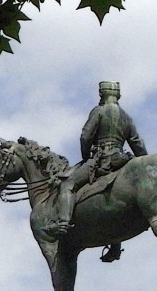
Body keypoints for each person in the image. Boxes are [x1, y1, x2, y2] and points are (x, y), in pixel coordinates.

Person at [47, 81, 147, 259]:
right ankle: (115, 247)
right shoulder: (126, 117)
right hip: (121, 160)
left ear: (102, 94)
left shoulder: (99, 111)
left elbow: (86, 136)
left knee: (67, 183)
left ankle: (63, 223)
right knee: (116, 197)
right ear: (117, 96)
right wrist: (143, 162)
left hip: (101, 159)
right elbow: (137, 143)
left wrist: (86, 156)